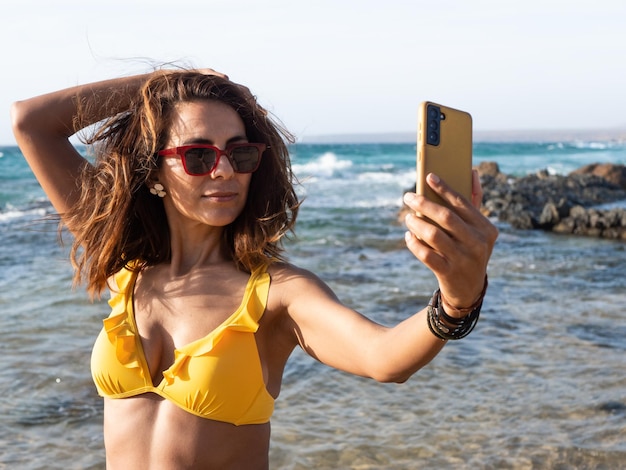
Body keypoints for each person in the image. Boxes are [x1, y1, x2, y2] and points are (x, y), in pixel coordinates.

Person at [11, 68, 498, 469]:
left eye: (239, 153)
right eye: (197, 155)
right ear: (155, 170)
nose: (224, 170)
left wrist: (457, 302)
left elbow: (383, 358)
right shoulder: (125, 266)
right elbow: (30, 122)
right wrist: (163, 83)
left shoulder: (277, 293)